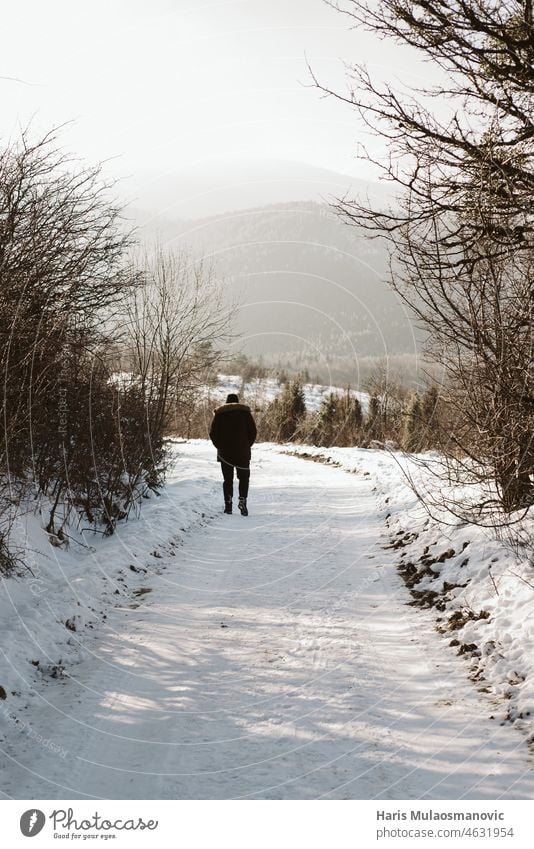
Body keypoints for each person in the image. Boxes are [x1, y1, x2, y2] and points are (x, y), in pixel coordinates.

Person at [209, 393, 257, 515]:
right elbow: (253, 432)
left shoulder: (219, 415)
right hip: (243, 454)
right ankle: (242, 501)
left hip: (225, 454)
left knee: (228, 480)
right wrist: (246, 446)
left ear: (226, 402)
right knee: (244, 478)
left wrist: (220, 447)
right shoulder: (246, 414)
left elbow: (213, 434)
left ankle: (228, 505)